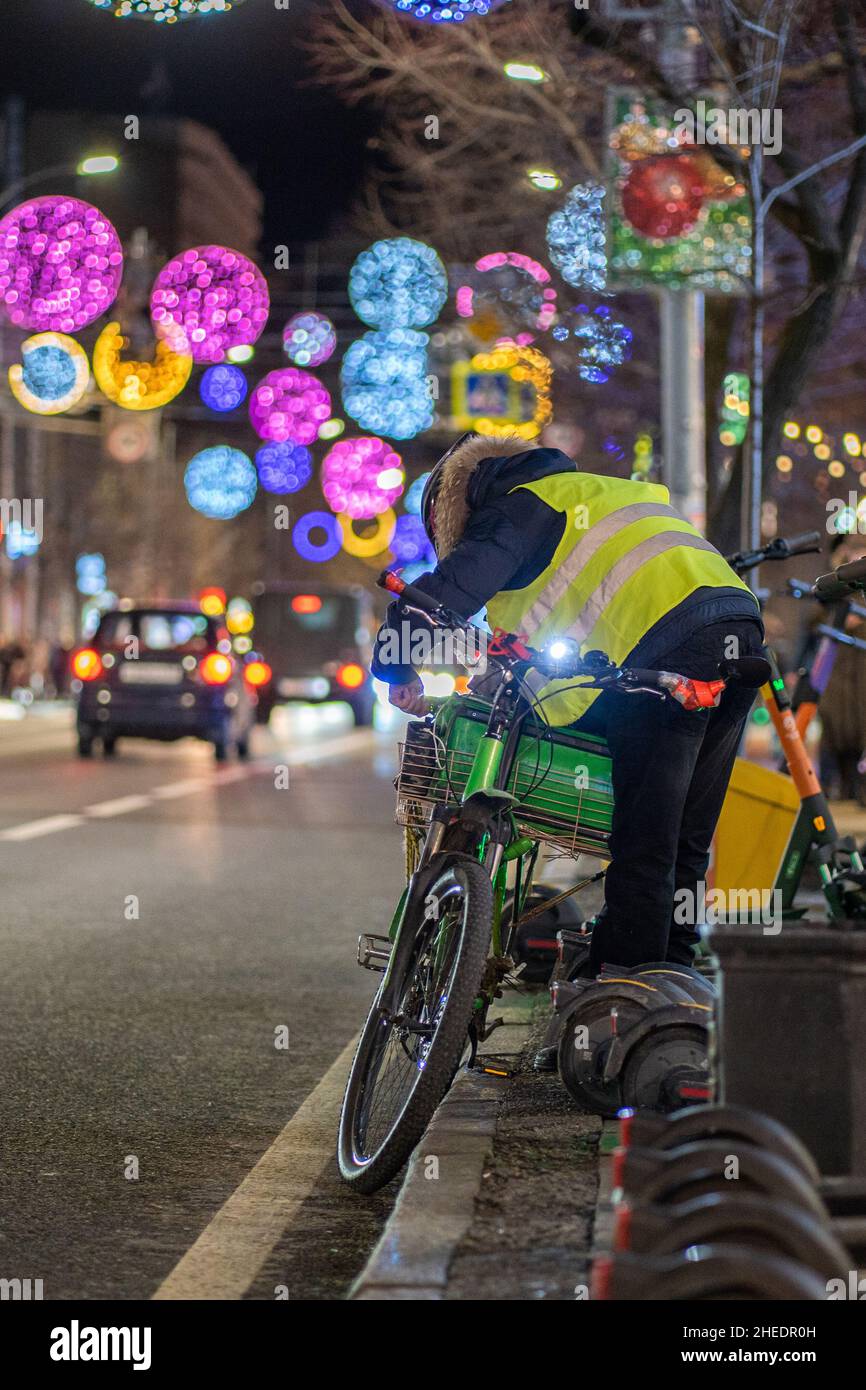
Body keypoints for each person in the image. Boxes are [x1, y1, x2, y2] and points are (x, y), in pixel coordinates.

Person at [372, 433, 765, 972]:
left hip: (668, 645)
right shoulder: (594, 491)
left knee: (645, 840)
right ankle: (674, 980)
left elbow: (436, 598)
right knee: (684, 840)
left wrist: (396, 667)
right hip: (738, 631)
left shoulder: (517, 506)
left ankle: (626, 991)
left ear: (458, 503)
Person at [814, 532, 866, 803]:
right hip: (837, 672)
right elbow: (817, 609)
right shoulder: (835, 584)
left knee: (859, 728)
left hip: (860, 672)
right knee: (836, 731)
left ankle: (858, 788)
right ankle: (839, 786)